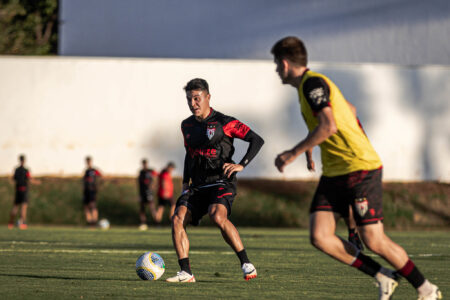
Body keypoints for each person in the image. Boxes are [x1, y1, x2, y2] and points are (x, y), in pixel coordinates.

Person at [270, 36, 441, 300]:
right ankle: (382, 274)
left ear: (284, 63)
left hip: (359, 168)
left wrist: (295, 152)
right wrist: (312, 148)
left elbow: (329, 125)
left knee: (374, 240)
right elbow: (348, 109)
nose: (275, 70)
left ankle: (426, 289)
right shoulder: (309, 87)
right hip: (335, 172)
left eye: (275, 64)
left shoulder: (312, 83)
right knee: (320, 236)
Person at [166, 78, 264, 283]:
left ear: (208, 97)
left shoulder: (225, 122)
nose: (193, 103)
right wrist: (185, 182)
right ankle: (186, 273)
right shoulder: (186, 125)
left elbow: (257, 139)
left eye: (196, 98)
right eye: (189, 99)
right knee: (177, 218)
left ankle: (246, 263)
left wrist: (242, 164)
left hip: (221, 181)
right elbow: (189, 154)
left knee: (217, 216)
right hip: (197, 185)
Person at [306, 149, 364, 250]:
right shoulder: (320, 133)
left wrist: (294, 153)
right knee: (342, 204)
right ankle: (352, 234)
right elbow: (310, 141)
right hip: (330, 173)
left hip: (350, 168)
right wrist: (309, 159)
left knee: (372, 239)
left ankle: (352, 234)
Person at [8, 155, 40, 229]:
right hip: (24, 190)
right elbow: (30, 179)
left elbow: (13, 179)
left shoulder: (16, 170)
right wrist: (37, 182)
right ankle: (23, 223)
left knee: (15, 207)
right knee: (23, 207)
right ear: (24, 160)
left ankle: (10, 223)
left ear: (19, 160)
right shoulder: (26, 170)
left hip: (18, 190)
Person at [137, 159, 158, 230]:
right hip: (142, 192)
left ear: (147, 164)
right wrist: (139, 194)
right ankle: (143, 223)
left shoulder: (150, 171)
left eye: (145, 164)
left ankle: (157, 223)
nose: (144, 165)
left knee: (152, 207)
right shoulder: (141, 172)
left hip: (149, 192)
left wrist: (153, 186)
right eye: (143, 164)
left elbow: (155, 177)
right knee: (142, 208)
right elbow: (139, 183)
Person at [83, 156, 102, 227]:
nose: (88, 163)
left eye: (89, 161)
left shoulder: (94, 170)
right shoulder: (86, 171)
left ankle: (94, 221)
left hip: (92, 191)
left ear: (91, 162)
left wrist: (97, 186)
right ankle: (89, 222)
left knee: (93, 205)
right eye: (87, 162)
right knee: (86, 206)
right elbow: (85, 182)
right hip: (86, 191)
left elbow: (101, 176)